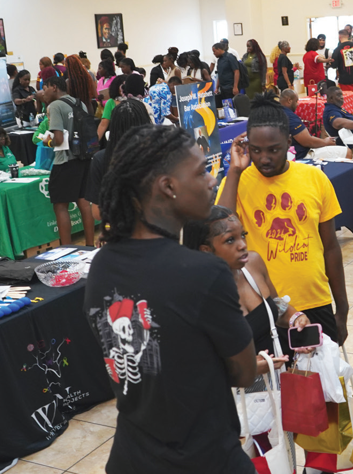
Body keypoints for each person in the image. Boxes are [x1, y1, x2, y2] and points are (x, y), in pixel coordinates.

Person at [84, 124, 256, 474]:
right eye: (202, 171)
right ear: (168, 187)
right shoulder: (205, 273)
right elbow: (244, 372)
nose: (211, 180)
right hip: (202, 459)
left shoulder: (103, 264)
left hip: (132, 458)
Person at [217, 93, 351, 344]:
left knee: (322, 381)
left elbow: (331, 248)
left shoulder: (315, 178)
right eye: (256, 150)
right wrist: (235, 170)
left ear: (289, 142)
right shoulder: (236, 183)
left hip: (315, 300)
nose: (264, 158)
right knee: (275, 382)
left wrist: (341, 309)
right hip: (265, 306)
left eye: (274, 150)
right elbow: (220, 229)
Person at [183, 205, 313, 371]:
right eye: (230, 240)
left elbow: (276, 305)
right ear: (206, 250)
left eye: (242, 235)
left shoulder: (253, 263)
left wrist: (295, 318)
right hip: (236, 393)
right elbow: (196, 362)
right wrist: (246, 369)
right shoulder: (195, 296)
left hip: (277, 383)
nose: (242, 245)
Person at [42, 76, 97, 247]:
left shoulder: (55, 106)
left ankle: (65, 249)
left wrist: (47, 141)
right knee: (83, 201)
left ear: (54, 87)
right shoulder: (78, 102)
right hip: (83, 158)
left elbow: (58, 139)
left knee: (60, 205)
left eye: (45, 88)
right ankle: (90, 245)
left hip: (65, 160)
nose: (43, 92)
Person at [86, 98, 152, 221]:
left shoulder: (101, 159)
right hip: (155, 233)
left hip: (118, 232)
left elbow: (97, 212)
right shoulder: (158, 154)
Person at [280, 89, 347, 160]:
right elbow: (307, 141)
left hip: (286, 155)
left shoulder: (276, 112)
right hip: (301, 155)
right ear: (289, 100)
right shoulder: (290, 117)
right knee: (347, 152)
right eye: (296, 101)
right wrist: (325, 142)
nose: (297, 104)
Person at [213, 42, 242, 106]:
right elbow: (220, 74)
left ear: (219, 49)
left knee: (233, 105)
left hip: (230, 87)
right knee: (226, 106)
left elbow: (236, 71)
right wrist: (217, 87)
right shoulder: (219, 60)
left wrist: (235, 87)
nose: (214, 54)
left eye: (214, 51)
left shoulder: (230, 57)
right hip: (223, 88)